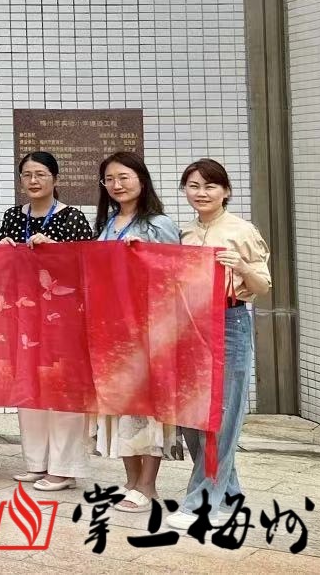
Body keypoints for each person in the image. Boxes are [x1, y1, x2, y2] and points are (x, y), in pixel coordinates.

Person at [173, 158, 269, 530]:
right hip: (190, 325)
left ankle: (201, 503)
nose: (201, 193)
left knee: (221, 416)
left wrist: (242, 267)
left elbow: (262, 287)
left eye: (210, 185)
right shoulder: (183, 234)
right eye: (193, 186)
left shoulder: (242, 231)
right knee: (190, 416)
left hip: (230, 322)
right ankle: (228, 495)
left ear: (225, 191)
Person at [88, 151, 180, 510]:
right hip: (112, 329)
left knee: (148, 405)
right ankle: (130, 479)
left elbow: (175, 272)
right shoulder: (108, 224)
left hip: (150, 329)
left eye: (124, 177)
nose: (117, 185)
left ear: (142, 180)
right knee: (119, 402)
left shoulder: (159, 224)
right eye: (109, 179)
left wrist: (144, 256)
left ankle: (148, 484)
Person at [0, 150, 94, 492]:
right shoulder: (13, 216)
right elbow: (2, 270)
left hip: (63, 320)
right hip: (24, 316)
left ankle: (64, 468)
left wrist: (55, 248)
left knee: (62, 389)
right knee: (29, 386)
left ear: (55, 179)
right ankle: (36, 462)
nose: (33, 181)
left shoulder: (73, 218)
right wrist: (3, 249)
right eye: (27, 175)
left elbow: (88, 267)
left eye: (40, 174)